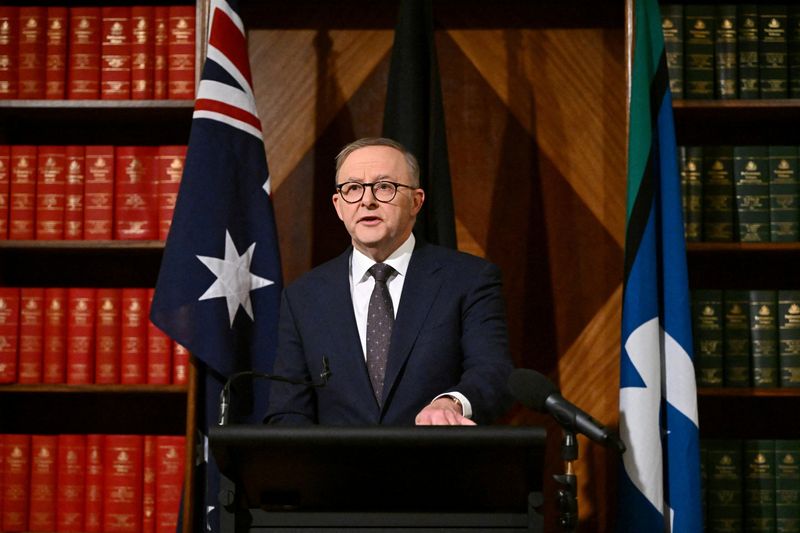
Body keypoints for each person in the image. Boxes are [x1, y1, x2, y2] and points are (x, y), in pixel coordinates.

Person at [264, 137, 514, 426]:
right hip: (337, 470)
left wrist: (452, 402)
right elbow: (288, 409)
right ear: (338, 205)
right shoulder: (303, 297)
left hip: (434, 465)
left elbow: (493, 372)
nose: (367, 200)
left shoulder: (468, 280)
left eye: (384, 187)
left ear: (416, 202)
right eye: (353, 188)